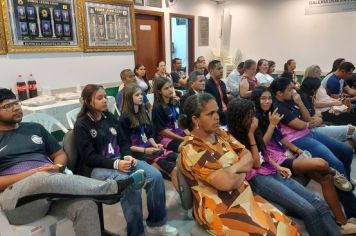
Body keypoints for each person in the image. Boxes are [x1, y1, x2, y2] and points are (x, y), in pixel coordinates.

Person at [0, 88, 145, 236]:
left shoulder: (35, 128)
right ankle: (112, 188)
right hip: (16, 202)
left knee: (86, 205)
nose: (16, 107)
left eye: (16, 103)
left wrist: (57, 167)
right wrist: (33, 173)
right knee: (39, 178)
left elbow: (60, 154)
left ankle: (112, 188)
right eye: (7, 106)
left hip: (49, 194)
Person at [178, 93, 299, 235]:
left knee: (291, 229)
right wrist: (241, 170)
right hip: (220, 209)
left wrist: (232, 170)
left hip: (244, 196)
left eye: (217, 111)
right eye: (210, 114)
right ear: (195, 119)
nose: (217, 116)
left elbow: (250, 158)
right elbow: (226, 184)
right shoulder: (192, 149)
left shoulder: (220, 134)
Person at [227, 97, 344, 235]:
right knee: (309, 210)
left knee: (318, 203)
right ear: (239, 118)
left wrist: (278, 166)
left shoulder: (254, 128)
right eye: (250, 115)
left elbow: (264, 152)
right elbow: (256, 163)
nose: (254, 118)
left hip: (271, 170)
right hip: (258, 178)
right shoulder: (232, 139)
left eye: (253, 114)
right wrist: (251, 134)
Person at [74, 84, 178, 236]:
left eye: (105, 97)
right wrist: (116, 163)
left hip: (120, 160)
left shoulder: (109, 117)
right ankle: (136, 233)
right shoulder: (82, 125)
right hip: (97, 168)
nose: (104, 100)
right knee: (130, 184)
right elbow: (89, 157)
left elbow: (123, 142)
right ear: (88, 102)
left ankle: (156, 224)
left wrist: (127, 155)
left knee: (155, 176)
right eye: (99, 98)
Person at [250, 86, 356, 233]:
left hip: (284, 153)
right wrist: (272, 125)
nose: (267, 101)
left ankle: (342, 223)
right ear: (256, 100)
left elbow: (281, 137)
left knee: (325, 178)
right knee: (322, 163)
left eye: (269, 98)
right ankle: (333, 171)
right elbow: (262, 146)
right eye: (263, 98)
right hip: (274, 159)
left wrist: (297, 150)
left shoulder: (270, 112)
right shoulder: (253, 119)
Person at [270, 77, 356, 219]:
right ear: (279, 93)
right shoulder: (278, 106)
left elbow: (307, 118)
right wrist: (311, 123)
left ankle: (344, 187)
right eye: (290, 89)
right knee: (335, 165)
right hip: (297, 139)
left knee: (346, 151)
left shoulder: (291, 100)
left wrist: (299, 102)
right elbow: (300, 124)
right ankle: (352, 211)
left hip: (308, 133)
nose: (294, 91)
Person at [120, 83, 178, 189]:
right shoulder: (124, 118)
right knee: (174, 169)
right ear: (129, 98)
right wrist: (146, 151)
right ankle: (186, 201)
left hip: (151, 149)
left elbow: (149, 134)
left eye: (141, 94)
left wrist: (155, 144)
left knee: (180, 160)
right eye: (137, 95)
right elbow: (126, 145)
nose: (141, 96)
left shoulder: (143, 112)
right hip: (139, 155)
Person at [299, 77, 356, 147]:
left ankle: (344, 151)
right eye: (317, 89)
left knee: (350, 134)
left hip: (319, 122)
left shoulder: (308, 97)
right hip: (313, 130)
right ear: (314, 89)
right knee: (352, 130)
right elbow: (309, 120)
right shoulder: (301, 99)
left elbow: (316, 114)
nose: (318, 91)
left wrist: (319, 119)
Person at [151, 77, 185, 153]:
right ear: (159, 91)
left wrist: (189, 134)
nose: (170, 89)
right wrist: (182, 139)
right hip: (166, 138)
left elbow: (180, 120)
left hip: (179, 133)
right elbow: (162, 131)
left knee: (198, 142)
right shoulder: (157, 108)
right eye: (166, 88)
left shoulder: (175, 101)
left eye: (171, 86)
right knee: (188, 148)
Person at [204, 60, 228, 125]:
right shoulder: (207, 85)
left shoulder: (222, 83)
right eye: (219, 69)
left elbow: (225, 100)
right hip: (217, 114)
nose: (221, 70)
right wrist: (226, 114)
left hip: (226, 112)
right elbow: (211, 106)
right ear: (211, 71)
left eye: (222, 68)